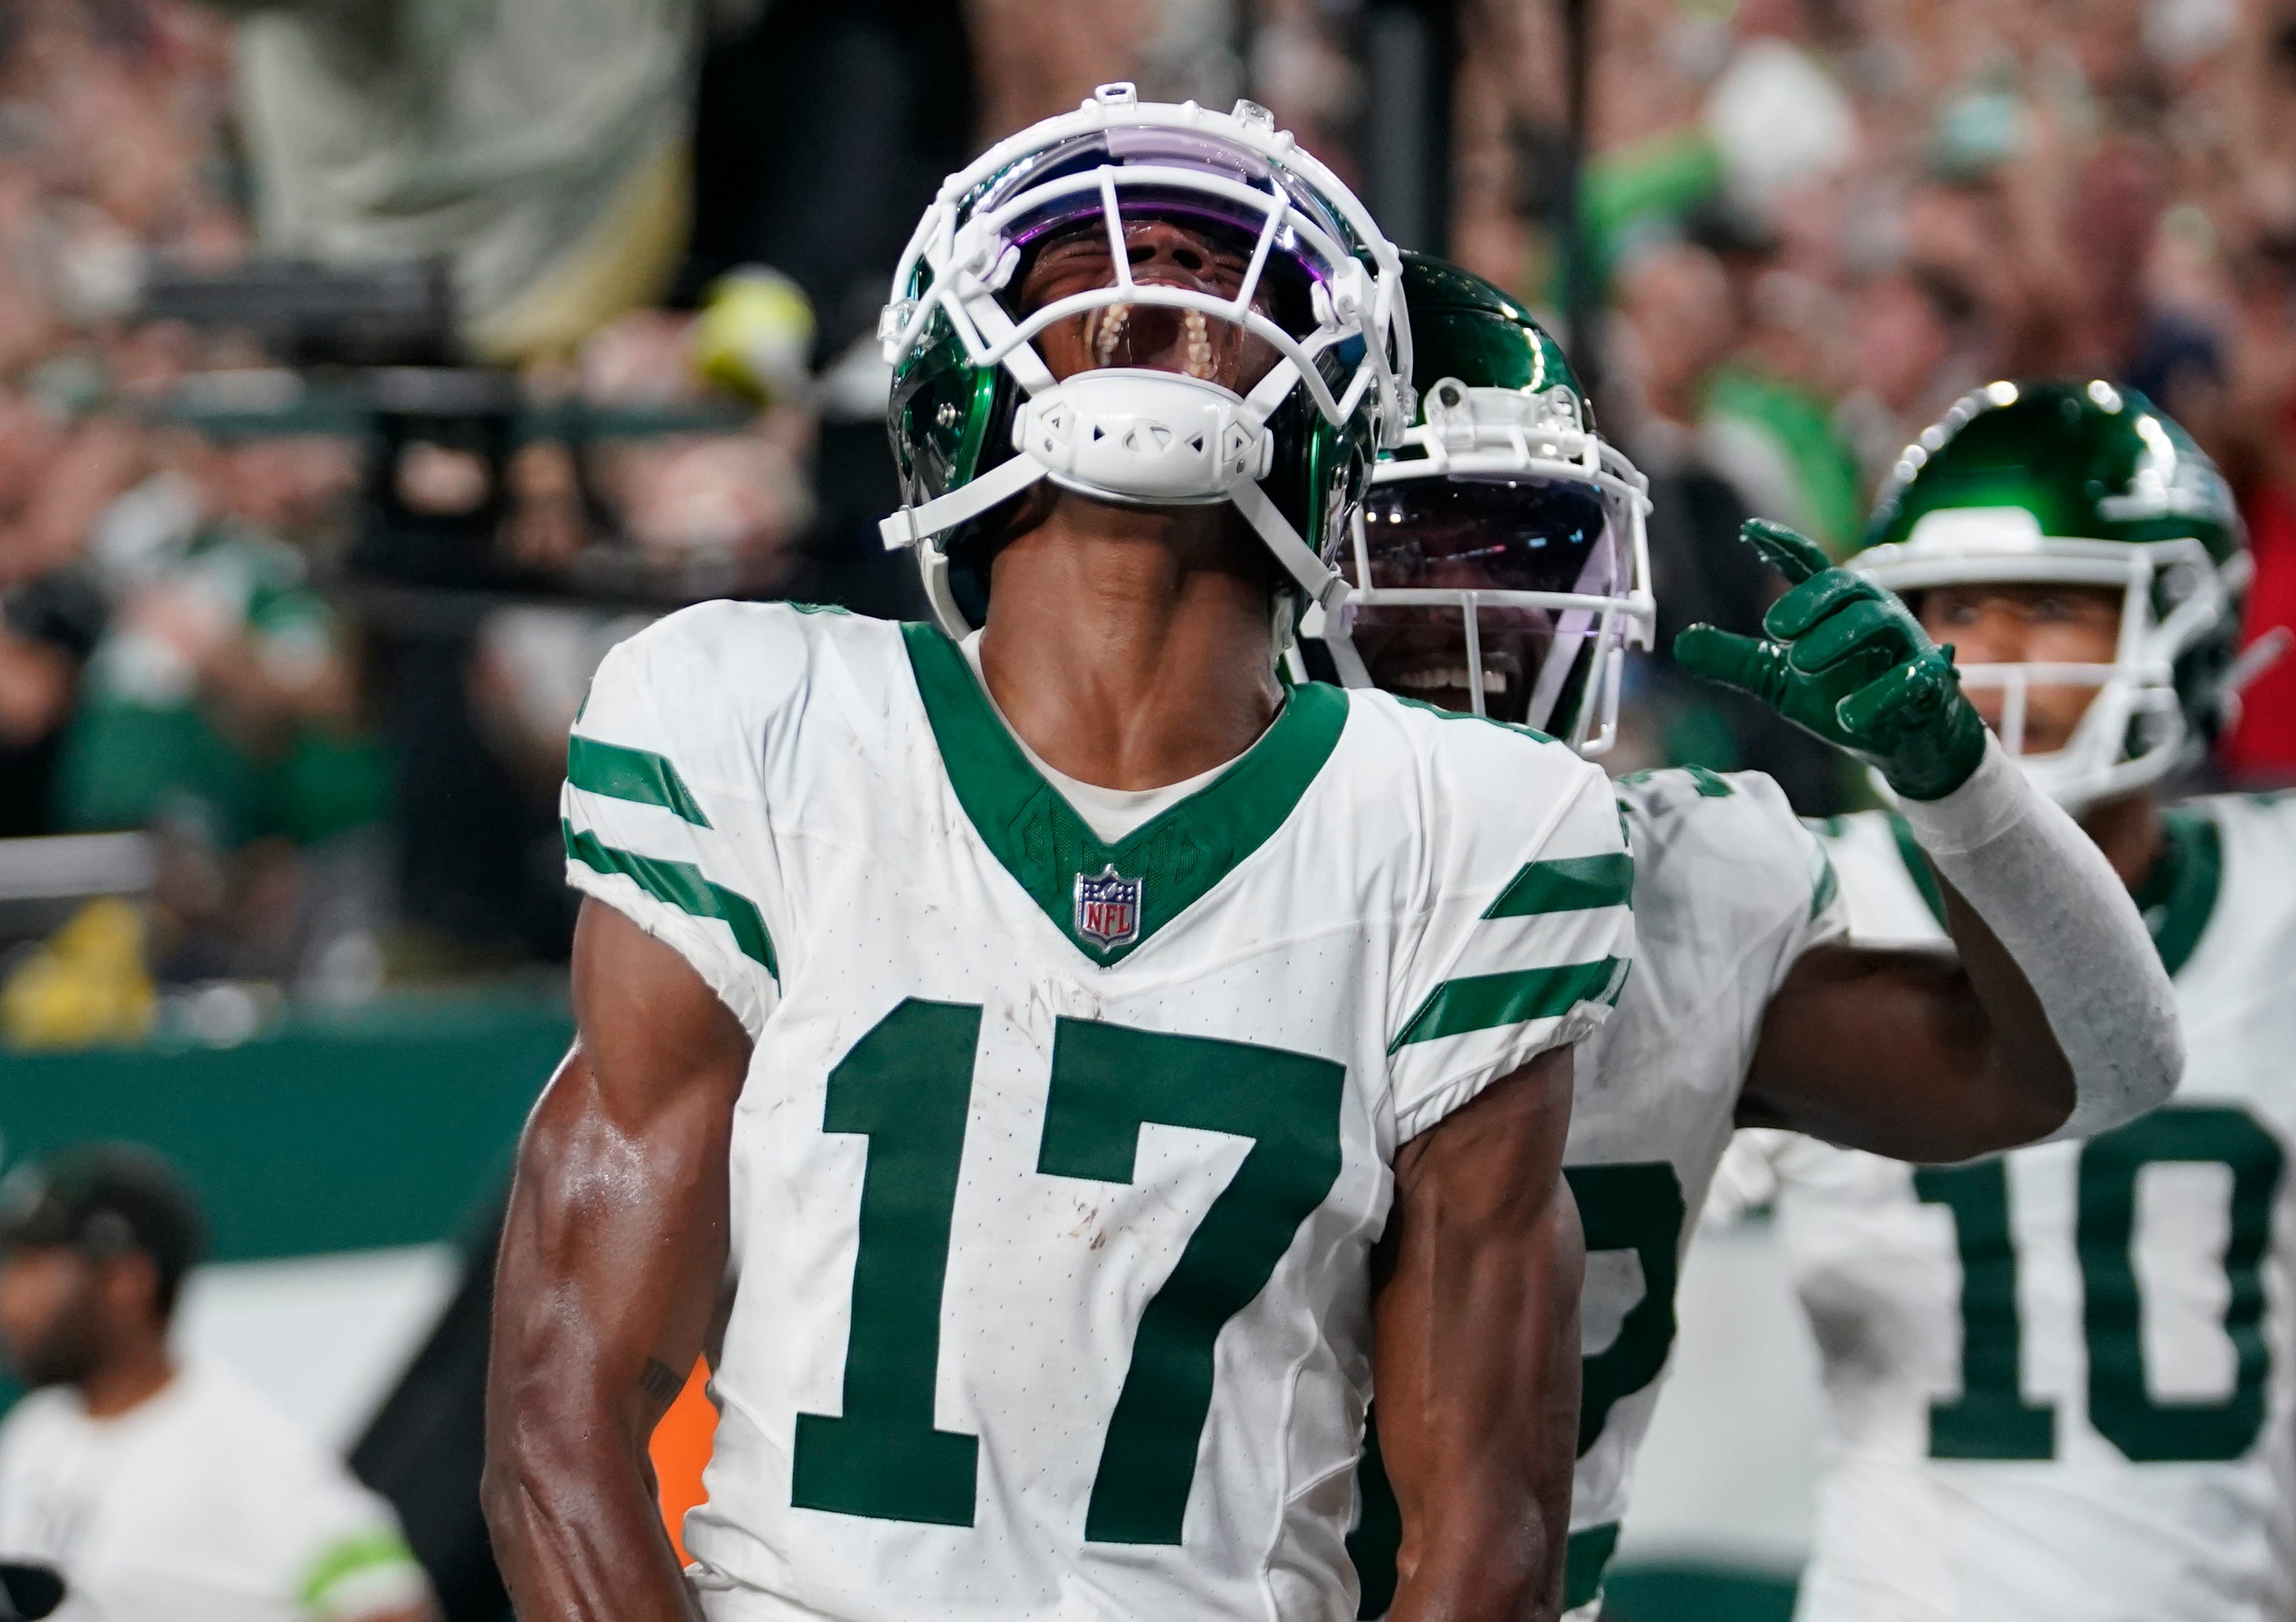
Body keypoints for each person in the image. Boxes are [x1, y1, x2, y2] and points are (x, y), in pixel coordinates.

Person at [484, 86, 1635, 1622]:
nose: (1148, 289)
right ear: (953, 371)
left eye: (1217, 269)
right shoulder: (753, 723)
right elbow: (559, 1434)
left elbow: (1484, 1534)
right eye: (1083, 266)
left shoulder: (1463, 828)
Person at [1320, 260, 2184, 1620]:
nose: (1479, 622)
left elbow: (2101, 1067)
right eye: (1413, 561)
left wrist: (1959, 786)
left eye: (1526, 550)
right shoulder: (1137, 879)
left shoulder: (1676, 892)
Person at [1720, 380, 2293, 1621]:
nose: (1982, 657)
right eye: (1948, 611)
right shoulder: (1804, 891)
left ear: (2188, 628)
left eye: (2049, 606)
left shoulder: (2275, 901)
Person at [0, 1145, 436, 1622]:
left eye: (33, 1266)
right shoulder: (33, 1430)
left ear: (126, 1281)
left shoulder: (249, 1453)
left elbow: (392, 1607)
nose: (9, 1295)